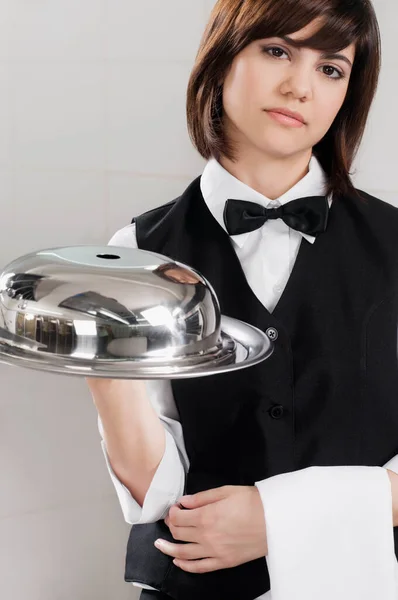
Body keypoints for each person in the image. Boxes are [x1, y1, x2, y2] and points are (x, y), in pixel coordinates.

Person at [86, 0, 398, 599]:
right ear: (224, 58)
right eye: (277, 50)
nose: (299, 87)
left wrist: (278, 517)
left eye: (331, 68)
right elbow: (157, 496)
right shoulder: (137, 252)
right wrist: (106, 377)